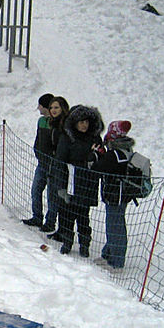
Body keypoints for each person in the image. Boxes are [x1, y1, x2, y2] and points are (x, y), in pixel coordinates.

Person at [53, 104, 103, 257]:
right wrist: (60, 186)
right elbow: (59, 162)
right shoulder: (67, 138)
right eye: (81, 122)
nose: (84, 125)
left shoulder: (94, 138)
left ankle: (84, 244)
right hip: (70, 182)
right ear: (74, 123)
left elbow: (101, 159)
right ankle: (67, 242)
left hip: (87, 184)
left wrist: (94, 157)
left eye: (87, 122)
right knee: (67, 215)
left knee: (83, 217)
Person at [94, 120, 135, 269]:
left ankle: (116, 262)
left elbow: (99, 168)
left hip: (115, 195)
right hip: (121, 194)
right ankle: (108, 253)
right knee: (114, 223)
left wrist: (97, 155)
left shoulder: (115, 154)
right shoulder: (126, 150)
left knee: (115, 225)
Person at [23, 93, 55, 228]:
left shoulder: (56, 123)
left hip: (53, 165)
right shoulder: (41, 122)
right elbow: (38, 139)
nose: (38, 108)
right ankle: (37, 216)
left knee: (52, 195)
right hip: (42, 162)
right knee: (36, 190)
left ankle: (50, 222)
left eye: (40, 106)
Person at [44, 96, 70, 235]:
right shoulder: (54, 123)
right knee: (54, 195)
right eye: (52, 108)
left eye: (57, 107)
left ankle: (63, 230)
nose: (53, 110)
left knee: (61, 196)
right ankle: (55, 225)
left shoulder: (65, 126)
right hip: (54, 163)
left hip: (62, 165)